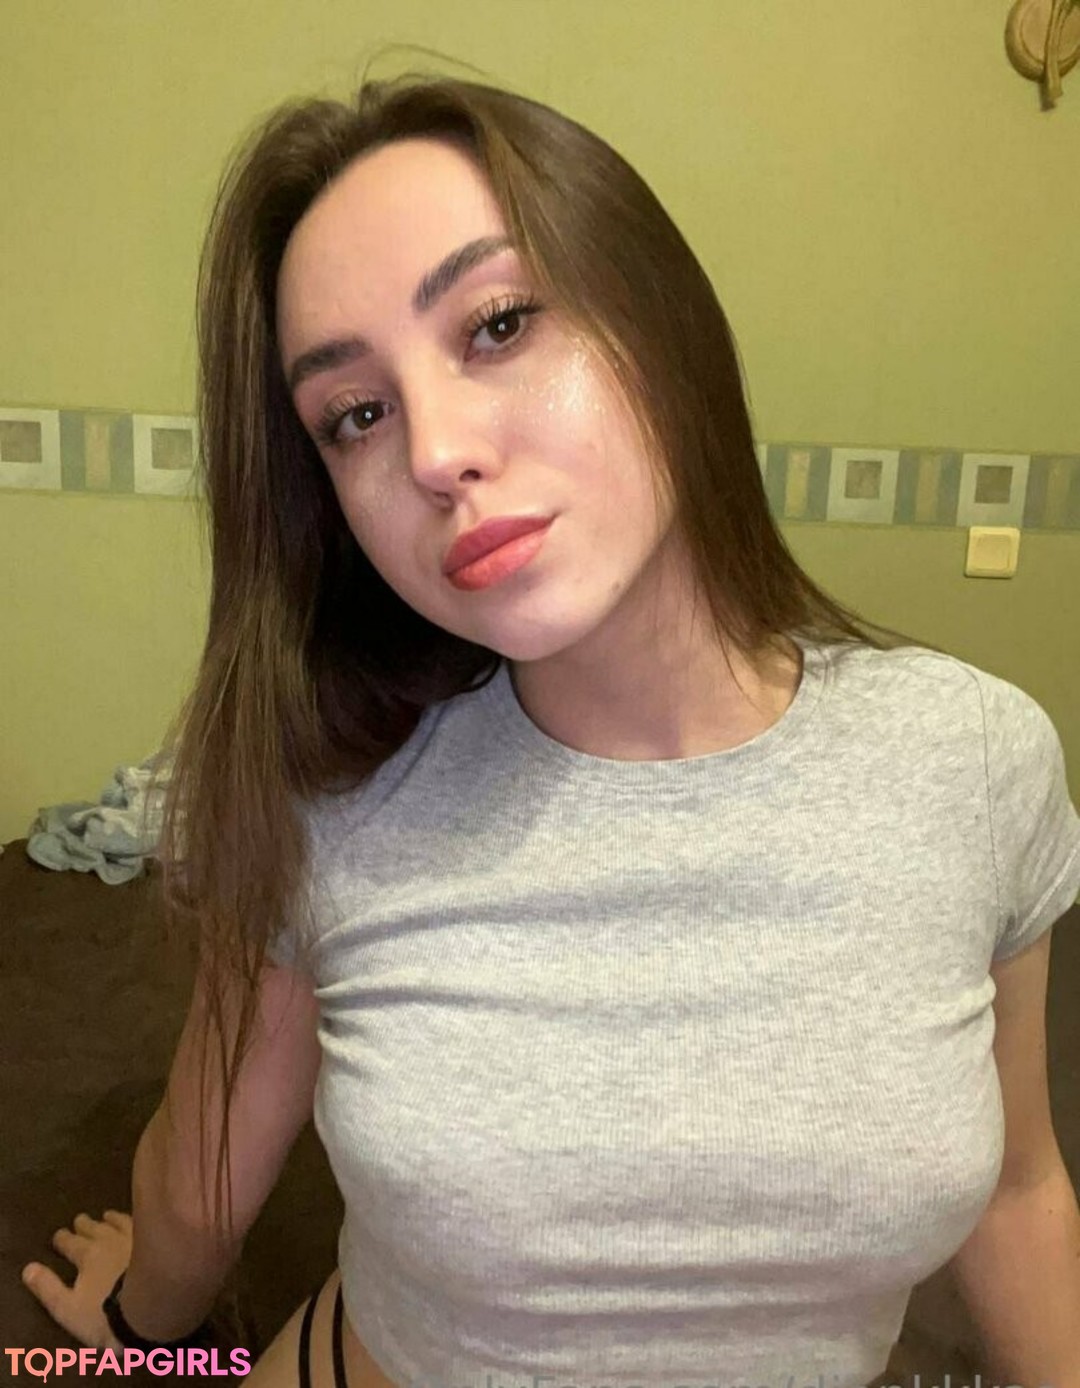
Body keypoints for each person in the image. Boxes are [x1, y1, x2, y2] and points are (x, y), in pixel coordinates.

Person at [20, 54, 1080, 1388]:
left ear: (660, 319)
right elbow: (201, 1178)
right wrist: (137, 1334)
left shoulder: (972, 761)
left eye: (499, 324)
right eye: (355, 414)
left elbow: (1016, 1187)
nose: (432, 452)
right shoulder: (340, 799)